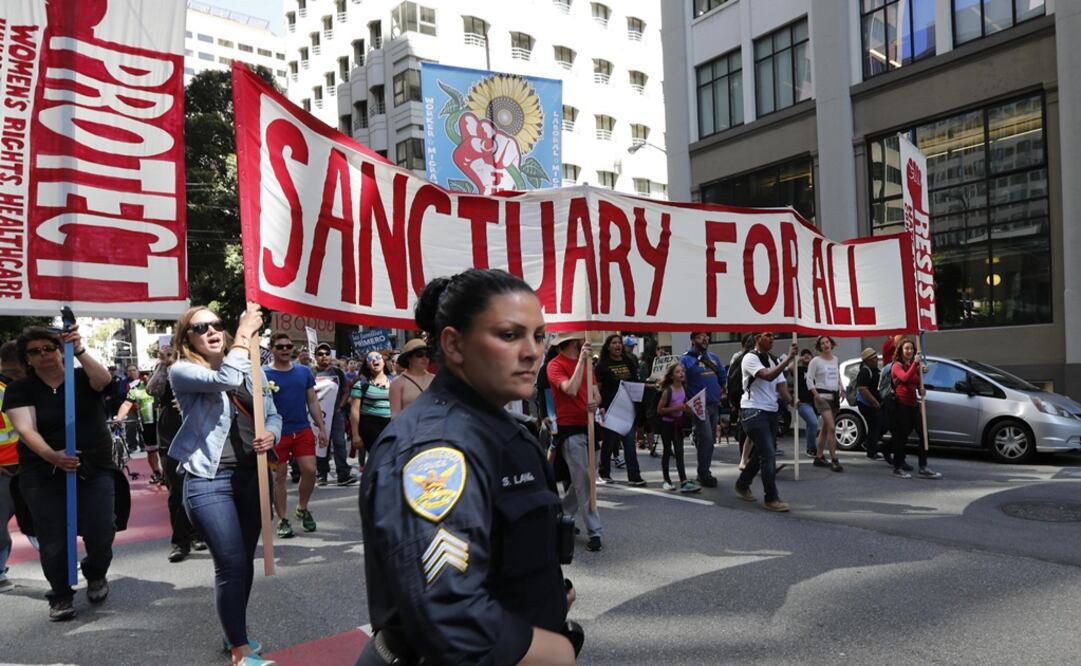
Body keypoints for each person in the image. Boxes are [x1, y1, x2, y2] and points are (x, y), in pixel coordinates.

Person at [357, 269, 581, 665]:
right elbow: (449, 616)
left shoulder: (503, 428)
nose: (532, 352)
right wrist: (557, 651)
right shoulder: (436, 450)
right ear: (454, 345)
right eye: (509, 335)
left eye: (539, 335)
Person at [169, 303, 282, 666]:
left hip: (252, 476)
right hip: (208, 480)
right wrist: (245, 334)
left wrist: (272, 433)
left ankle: (233, 632)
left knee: (243, 561)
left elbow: (273, 413)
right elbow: (226, 380)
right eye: (201, 327)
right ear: (187, 339)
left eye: (216, 324)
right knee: (230, 563)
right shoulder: (183, 370)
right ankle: (240, 651)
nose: (212, 331)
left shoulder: (253, 368)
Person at [5, 326, 115, 621]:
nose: (43, 354)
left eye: (49, 347)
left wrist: (79, 350)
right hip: (42, 471)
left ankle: (95, 572)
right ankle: (60, 594)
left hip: (93, 466)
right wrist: (53, 456)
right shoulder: (20, 389)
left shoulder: (81, 377)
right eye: (35, 351)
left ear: (60, 350)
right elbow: (25, 429)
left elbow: (104, 381)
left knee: (101, 529)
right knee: (52, 536)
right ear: (27, 359)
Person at [263, 333, 326, 538]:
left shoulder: (303, 371)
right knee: (279, 477)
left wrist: (321, 427)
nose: (285, 350)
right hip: (276, 433)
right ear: (271, 349)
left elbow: (312, 401)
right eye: (280, 346)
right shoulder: (262, 373)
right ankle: (282, 519)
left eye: (288, 346)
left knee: (310, 470)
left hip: (302, 429)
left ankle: (302, 507)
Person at [147, 345, 205, 562]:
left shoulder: (195, 366)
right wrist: (165, 364)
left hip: (196, 433)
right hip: (169, 437)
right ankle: (180, 542)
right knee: (176, 490)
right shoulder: (162, 369)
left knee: (199, 486)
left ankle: (198, 533)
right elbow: (152, 390)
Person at [547, 332, 604, 552]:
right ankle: (595, 531)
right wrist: (581, 361)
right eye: (580, 338)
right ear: (572, 342)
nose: (584, 340)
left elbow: (596, 394)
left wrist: (595, 402)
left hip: (590, 427)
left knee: (583, 480)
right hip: (570, 429)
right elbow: (570, 389)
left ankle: (561, 515)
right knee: (584, 481)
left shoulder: (588, 364)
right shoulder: (554, 365)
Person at [734, 332, 798, 512]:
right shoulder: (750, 358)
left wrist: (792, 401)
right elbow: (767, 375)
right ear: (757, 339)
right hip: (752, 411)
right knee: (768, 453)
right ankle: (771, 498)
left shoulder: (774, 360)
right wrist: (789, 359)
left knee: (763, 452)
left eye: (773, 336)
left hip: (771, 412)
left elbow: (781, 386)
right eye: (767, 335)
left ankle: (742, 483)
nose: (772, 338)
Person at [595, 334, 645, 486]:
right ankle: (604, 472)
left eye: (619, 343)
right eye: (614, 343)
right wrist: (600, 407)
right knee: (609, 443)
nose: (617, 345)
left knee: (629, 442)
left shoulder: (628, 362)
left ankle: (634, 476)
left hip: (627, 408)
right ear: (608, 347)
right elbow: (598, 389)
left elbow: (634, 382)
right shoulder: (602, 366)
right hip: (610, 409)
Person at [890, 338, 942, 480]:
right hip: (901, 405)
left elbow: (915, 383)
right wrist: (915, 364)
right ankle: (897, 467)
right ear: (901, 350)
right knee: (901, 437)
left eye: (911, 349)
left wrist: (921, 388)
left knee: (924, 435)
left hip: (913, 405)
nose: (909, 351)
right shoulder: (897, 366)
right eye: (906, 348)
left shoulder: (914, 366)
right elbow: (905, 378)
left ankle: (923, 467)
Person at [681, 332, 726, 488]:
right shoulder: (685, 360)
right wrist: (685, 402)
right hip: (698, 406)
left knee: (710, 439)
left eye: (706, 336)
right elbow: (680, 382)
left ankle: (703, 469)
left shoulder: (714, 357)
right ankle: (704, 473)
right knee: (707, 438)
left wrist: (724, 391)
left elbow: (722, 376)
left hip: (714, 404)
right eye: (701, 336)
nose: (705, 339)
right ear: (693, 340)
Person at [0, 341, 27, 593]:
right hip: (5, 469)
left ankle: (61, 565)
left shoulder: (21, 387)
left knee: (41, 518)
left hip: (27, 464)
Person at [312, 343, 357, 487]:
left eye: (327, 353)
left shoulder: (338, 372)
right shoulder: (311, 373)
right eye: (320, 354)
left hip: (336, 415)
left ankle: (343, 474)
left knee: (339, 443)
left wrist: (340, 407)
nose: (324, 356)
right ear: (316, 357)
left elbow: (345, 391)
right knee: (321, 444)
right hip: (317, 415)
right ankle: (322, 474)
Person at [655, 362, 700, 493]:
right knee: (667, 451)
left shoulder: (684, 388)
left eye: (682, 371)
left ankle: (684, 481)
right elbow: (659, 410)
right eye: (678, 372)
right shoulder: (668, 391)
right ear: (671, 376)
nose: (681, 374)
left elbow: (683, 405)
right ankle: (666, 480)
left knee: (679, 452)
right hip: (667, 424)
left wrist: (688, 409)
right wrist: (676, 408)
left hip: (678, 424)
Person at [115, 374, 164, 483]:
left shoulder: (163, 384)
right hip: (147, 424)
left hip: (164, 422)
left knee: (165, 450)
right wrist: (119, 418)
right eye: (143, 374)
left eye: (148, 373)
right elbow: (126, 404)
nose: (146, 376)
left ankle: (168, 473)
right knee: (151, 450)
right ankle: (157, 473)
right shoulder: (135, 388)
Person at [807, 335, 843, 472]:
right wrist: (816, 395)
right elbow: (809, 379)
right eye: (822, 343)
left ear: (831, 343)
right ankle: (835, 460)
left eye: (827, 342)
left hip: (834, 397)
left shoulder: (836, 359)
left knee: (825, 429)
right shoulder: (815, 361)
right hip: (822, 397)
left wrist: (841, 388)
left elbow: (837, 376)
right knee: (832, 427)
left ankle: (819, 457)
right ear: (819, 347)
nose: (826, 345)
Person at [350, 351, 393, 468]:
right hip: (370, 427)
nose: (375, 360)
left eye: (378, 357)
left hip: (390, 425)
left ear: (384, 362)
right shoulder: (361, 385)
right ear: (367, 365)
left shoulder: (395, 383)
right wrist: (355, 435)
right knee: (380, 459)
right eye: (370, 359)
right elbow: (354, 411)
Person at [389, 338, 434, 417]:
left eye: (427, 355)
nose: (424, 358)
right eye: (419, 354)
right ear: (409, 358)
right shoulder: (398, 383)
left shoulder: (435, 380)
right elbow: (395, 417)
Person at [854, 348, 885, 460]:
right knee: (874, 427)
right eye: (874, 358)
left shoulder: (874, 370)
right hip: (866, 404)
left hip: (874, 403)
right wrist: (874, 402)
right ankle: (871, 452)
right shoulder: (865, 372)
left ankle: (868, 443)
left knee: (881, 425)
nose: (877, 359)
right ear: (868, 360)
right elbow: (862, 389)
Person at [795, 349, 820, 458]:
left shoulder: (815, 370)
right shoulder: (799, 370)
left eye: (808, 354)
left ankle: (810, 448)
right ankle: (812, 448)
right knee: (813, 423)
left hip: (816, 402)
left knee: (811, 425)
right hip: (803, 402)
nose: (806, 356)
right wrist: (798, 359)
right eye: (804, 354)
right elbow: (790, 367)